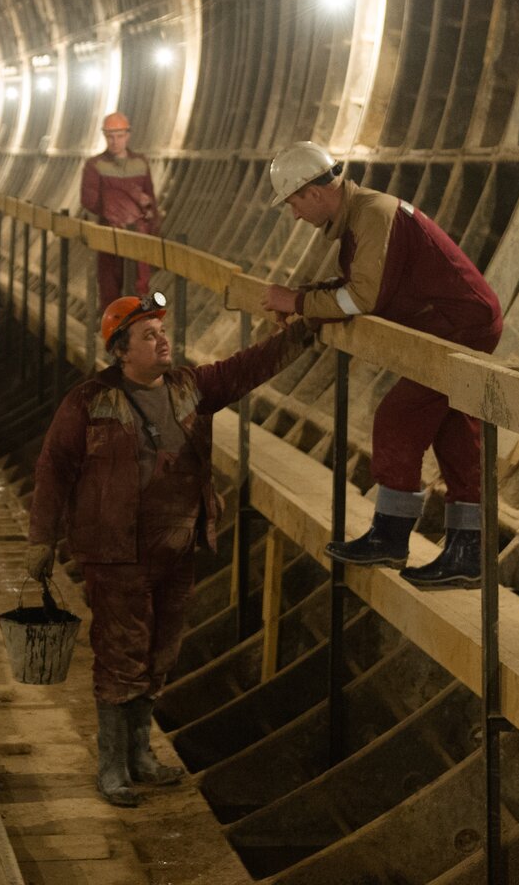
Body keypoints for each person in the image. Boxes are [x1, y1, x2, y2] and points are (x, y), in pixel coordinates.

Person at [27, 293, 313, 806]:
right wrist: (41, 539)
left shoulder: (188, 387)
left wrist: (301, 332)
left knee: (161, 653)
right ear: (121, 351)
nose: (162, 340)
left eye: (161, 330)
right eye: (147, 335)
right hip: (118, 552)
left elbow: (245, 368)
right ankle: (112, 767)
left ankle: (140, 757)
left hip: (178, 547)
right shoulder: (89, 401)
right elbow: (54, 468)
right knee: (122, 655)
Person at [262, 142, 504, 589]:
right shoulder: (361, 216)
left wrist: (296, 300)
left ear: (313, 193)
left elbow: (361, 298)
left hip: (459, 324)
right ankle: (467, 552)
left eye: (294, 202)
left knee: (398, 417)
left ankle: (391, 537)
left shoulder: (372, 215)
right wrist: (303, 299)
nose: (295, 214)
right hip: (454, 319)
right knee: (453, 431)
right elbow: (364, 284)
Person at [80, 113, 162, 309]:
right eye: (110, 136)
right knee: (110, 285)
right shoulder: (95, 165)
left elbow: (150, 198)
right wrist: (120, 204)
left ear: (127, 135)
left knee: (139, 285)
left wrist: (153, 228)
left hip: (138, 233)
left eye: (119, 136)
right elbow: (89, 200)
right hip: (109, 233)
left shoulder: (140, 163)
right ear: (104, 136)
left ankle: (136, 329)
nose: (114, 141)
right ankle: (114, 333)